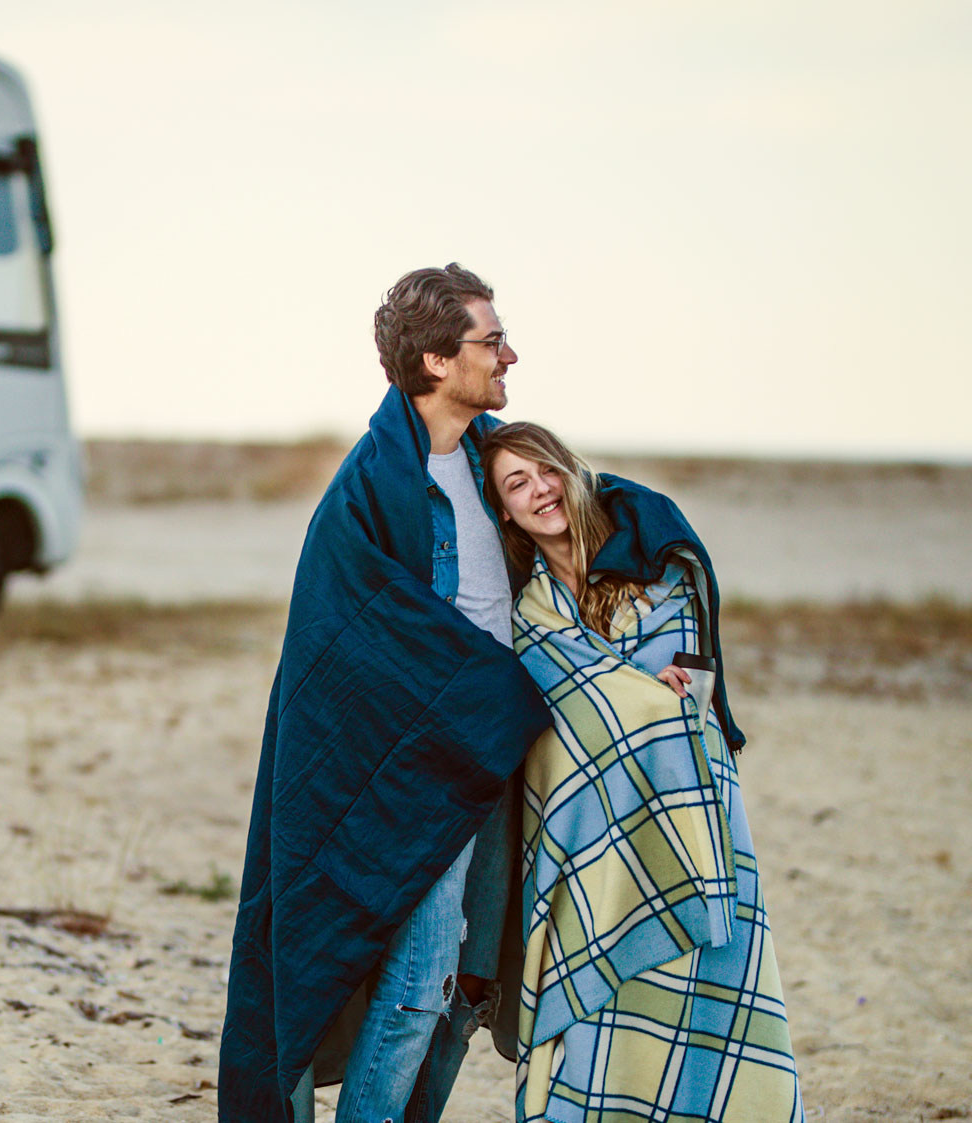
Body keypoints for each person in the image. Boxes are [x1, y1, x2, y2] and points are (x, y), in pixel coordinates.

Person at [219, 264, 551, 1123]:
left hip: (492, 758)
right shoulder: (370, 489)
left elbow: (600, 525)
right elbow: (345, 645)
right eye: (490, 339)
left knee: (470, 979)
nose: (509, 352)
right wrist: (490, 687)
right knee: (420, 973)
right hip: (416, 770)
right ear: (438, 361)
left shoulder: (502, 468)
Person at [481, 421, 802, 1123]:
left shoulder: (654, 565)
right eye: (517, 483)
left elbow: (692, 678)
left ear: (572, 471)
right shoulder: (530, 610)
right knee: (603, 1008)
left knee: (706, 985)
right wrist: (649, 700)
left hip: (690, 813)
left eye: (546, 471)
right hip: (589, 838)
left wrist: (681, 688)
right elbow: (570, 716)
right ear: (503, 509)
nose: (540, 490)